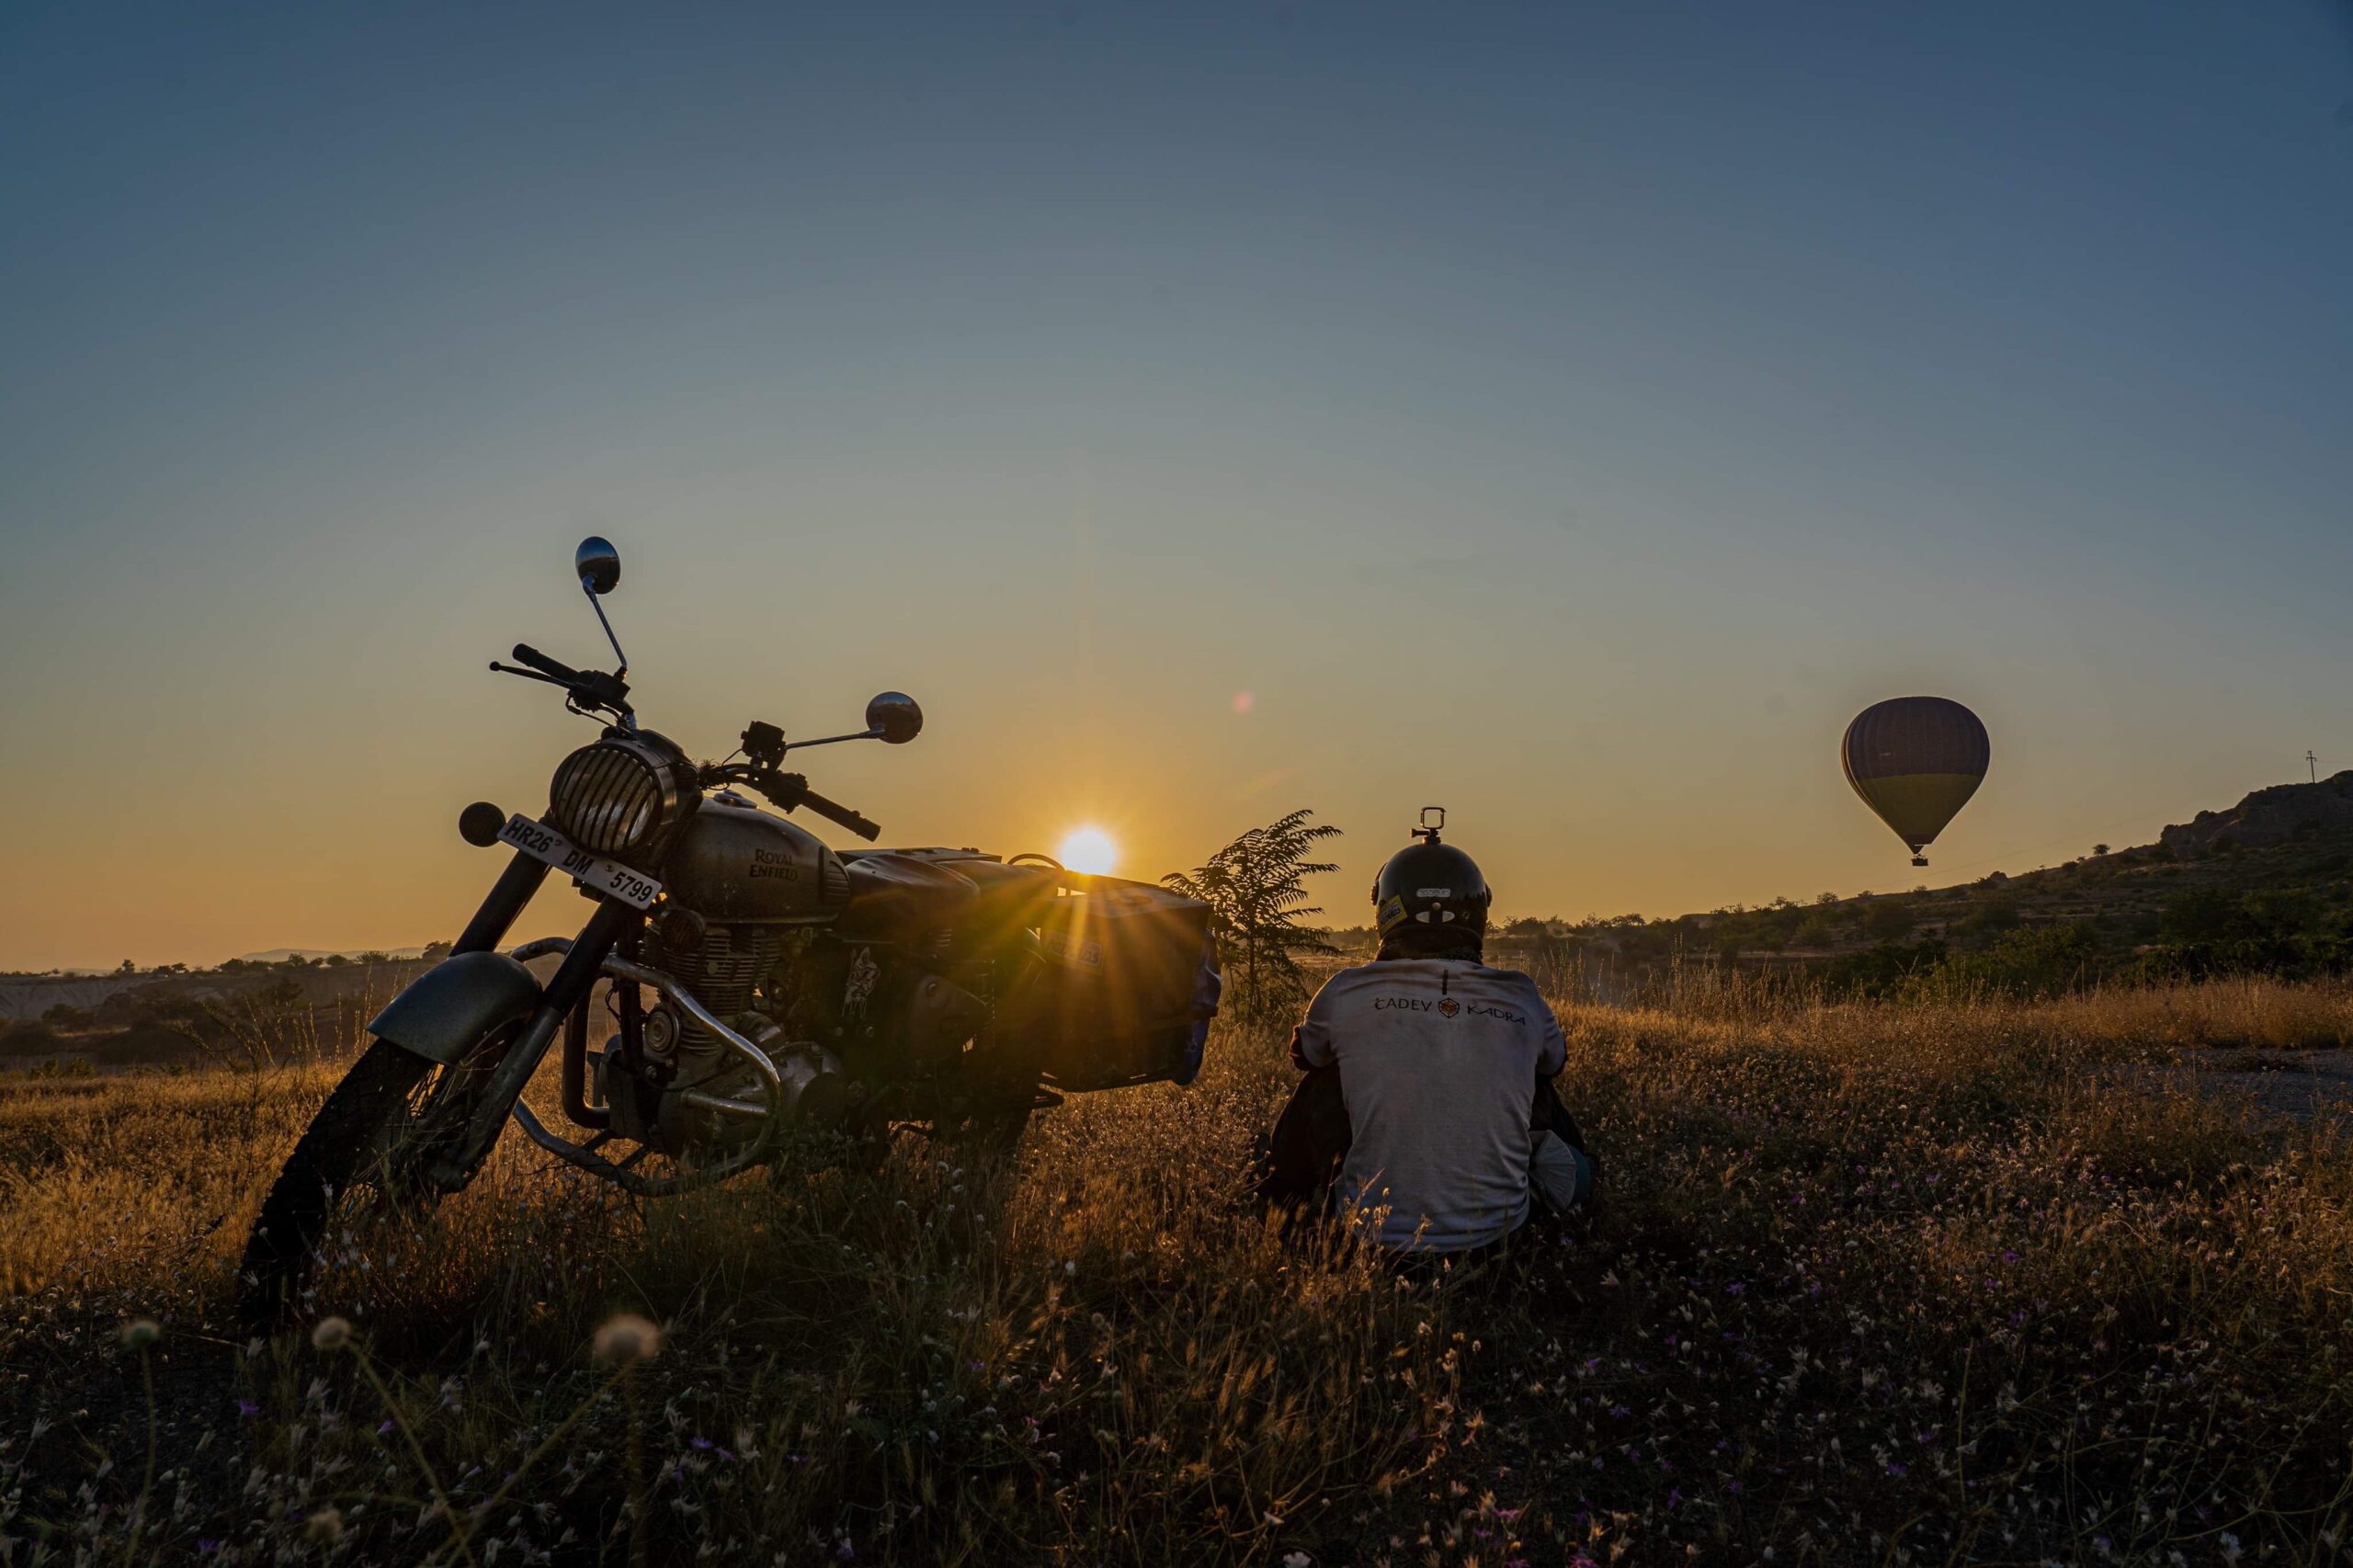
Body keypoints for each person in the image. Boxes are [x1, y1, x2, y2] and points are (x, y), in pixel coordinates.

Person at [1256, 810, 1594, 1257]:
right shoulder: (1521, 996)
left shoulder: (1345, 991)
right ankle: (1574, 1212)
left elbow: (1307, 1056)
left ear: (1387, 910)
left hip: (1368, 1238)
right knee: (1538, 1083)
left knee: (1324, 1079)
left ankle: (1286, 1211)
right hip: (1497, 1242)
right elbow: (1555, 1063)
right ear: (1478, 911)